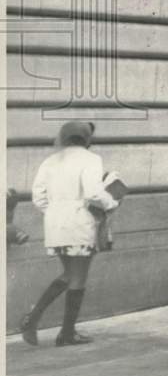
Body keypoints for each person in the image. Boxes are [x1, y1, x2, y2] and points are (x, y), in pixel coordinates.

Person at [21, 120, 118, 347]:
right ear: (86, 138)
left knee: (68, 273)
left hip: (55, 224)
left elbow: (38, 196)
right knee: (78, 277)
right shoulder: (90, 159)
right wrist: (111, 202)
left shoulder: (50, 161)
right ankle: (64, 332)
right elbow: (94, 192)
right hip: (80, 222)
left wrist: (55, 211)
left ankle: (37, 319)